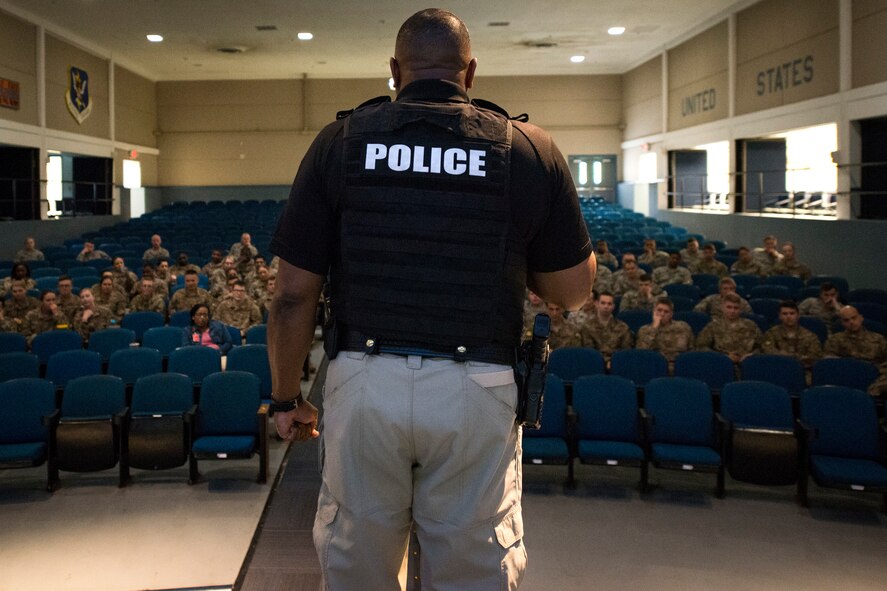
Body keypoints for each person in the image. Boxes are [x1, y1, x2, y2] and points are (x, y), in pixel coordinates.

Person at [267, 9, 594, 590]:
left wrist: (287, 399)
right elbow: (572, 292)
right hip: (477, 388)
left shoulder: (340, 143)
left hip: (363, 384)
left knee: (357, 567)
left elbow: (292, 296)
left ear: (395, 71)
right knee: (472, 570)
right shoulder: (526, 149)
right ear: (469, 73)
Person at [696, 292, 761, 363]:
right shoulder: (713, 326)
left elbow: (762, 346)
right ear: (722, 307)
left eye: (736, 308)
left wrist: (751, 355)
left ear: (740, 309)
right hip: (721, 363)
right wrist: (723, 356)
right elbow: (701, 347)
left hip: (748, 363)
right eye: (729, 307)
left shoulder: (751, 325)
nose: (732, 311)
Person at [760, 300, 822, 369]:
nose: (788, 317)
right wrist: (797, 357)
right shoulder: (771, 333)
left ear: (798, 315)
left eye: (792, 313)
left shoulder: (810, 336)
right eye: (785, 314)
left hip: (802, 371)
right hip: (776, 368)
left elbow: (814, 358)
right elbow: (767, 351)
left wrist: (786, 356)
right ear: (780, 316)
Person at [635, 296, 694, 365]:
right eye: (659, 310)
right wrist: (654, 328)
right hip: (655, 365)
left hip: (680, 365)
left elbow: (691, 350)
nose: (662, 314)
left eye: (666, 312)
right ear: (654, 312)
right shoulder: (644, 330)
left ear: (671, 314)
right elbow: (641, 353)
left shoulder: (683, 327)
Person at [578, 291, 633, 362]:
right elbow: (589, 352)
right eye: (603, 303)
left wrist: (612, 362)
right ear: (597, 304)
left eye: (609, 304)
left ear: (613, 306)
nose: (606, 306)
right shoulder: (587, 326)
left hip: (616, 363)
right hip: (595, 363)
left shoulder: (623, 327)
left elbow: (626, 352)